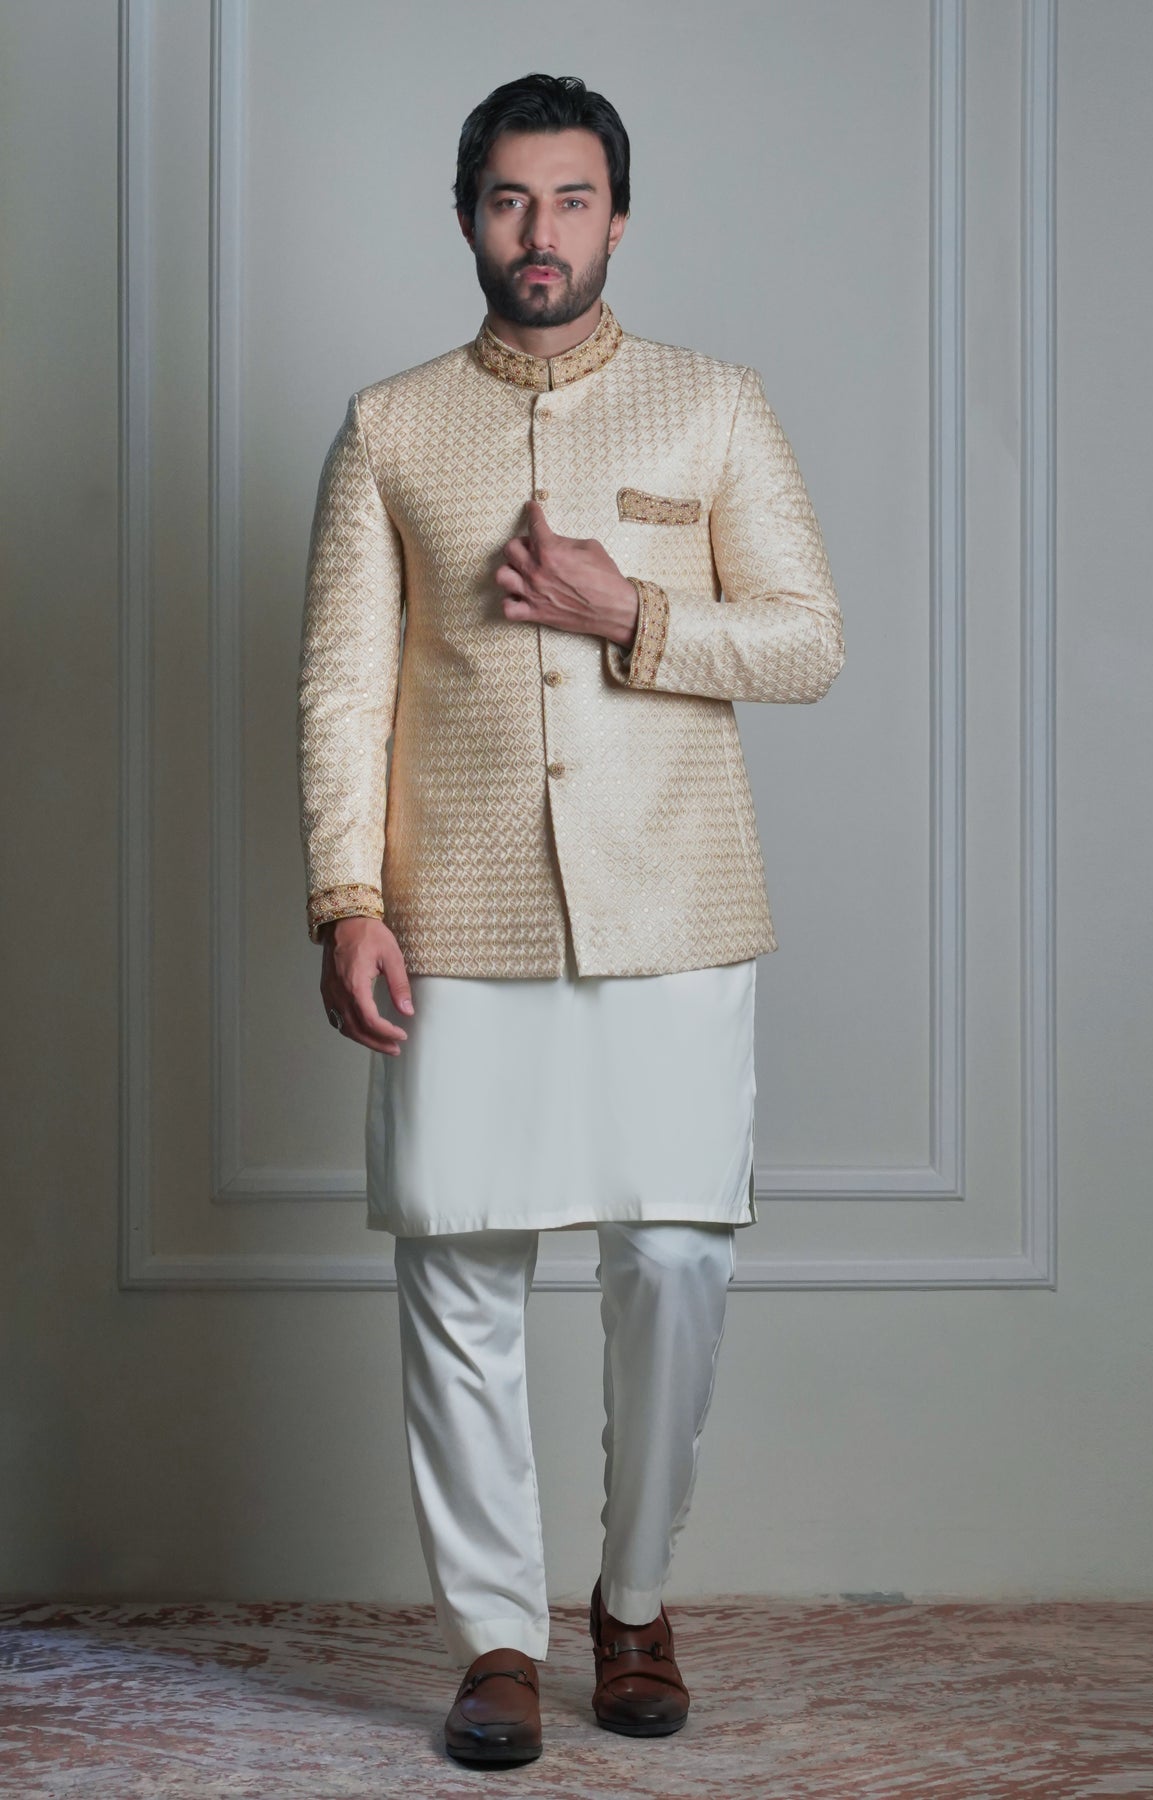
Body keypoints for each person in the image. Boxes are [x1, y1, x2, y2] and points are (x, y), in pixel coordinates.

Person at [296, 71, 845, 1768]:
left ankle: (631, 1600)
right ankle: (492, 1641)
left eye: (574, 200)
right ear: (470, 215)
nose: (543, 234)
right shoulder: (390, 425)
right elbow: (341, 688)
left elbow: (810, 641)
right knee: (458, 1273)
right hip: (453, 914)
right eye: (512, 201)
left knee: (673, 1263)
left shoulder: (715, 405)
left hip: (676, 910)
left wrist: (631, 609)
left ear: (621, 213)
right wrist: (344, 896)